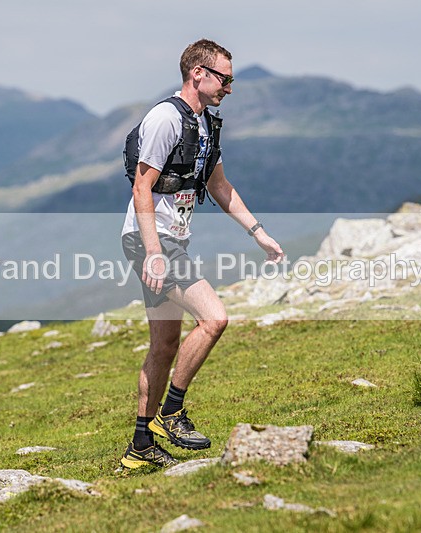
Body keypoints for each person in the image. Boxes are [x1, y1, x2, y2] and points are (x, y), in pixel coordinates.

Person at [120, 39, 284, 469]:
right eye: (224, 78)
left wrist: (258, 232)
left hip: (168, 240)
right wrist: (155, 253)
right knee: (214, 318)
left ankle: (140, 446)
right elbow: (142, 186)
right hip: (151, 242)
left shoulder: (205, 124)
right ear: (198, 73)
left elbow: (219, 186)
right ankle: (172, 412)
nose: (229, 87)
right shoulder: (165, 118)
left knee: (164, 344)